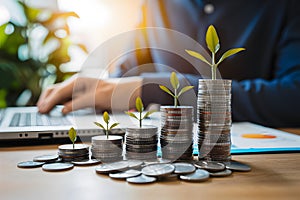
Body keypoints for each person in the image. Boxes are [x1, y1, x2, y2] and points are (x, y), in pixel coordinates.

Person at [37, 0, 300, 128]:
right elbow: (125, 75)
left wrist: (151, 88)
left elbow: (293, 97)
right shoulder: (155, 4)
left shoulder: (285, 6)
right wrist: (104, 90)